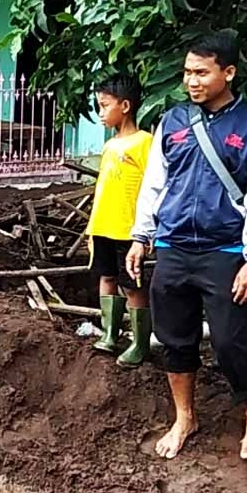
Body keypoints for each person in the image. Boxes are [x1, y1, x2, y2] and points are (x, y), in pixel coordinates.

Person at [127, 30, 247, 461]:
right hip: (174, 245)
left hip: (227, 251)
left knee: (231, 339)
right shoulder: (173, 122)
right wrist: (141, 236)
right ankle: (184, 416)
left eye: (201, 72)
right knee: (174, 338)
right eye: (187, 73)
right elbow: (154, 184)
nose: (191, 81)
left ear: (228, 72)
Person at [85, 74, 152, 368]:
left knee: (132, 284)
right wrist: (91, 226)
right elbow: (102, 189)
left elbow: (153, 186)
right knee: (107, 276)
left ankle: (139, 342)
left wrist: (146, 229)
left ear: (125, 105)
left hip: (129, 228)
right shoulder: (110, 145)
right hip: (103, 225)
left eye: (104, 105)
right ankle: (109, 333)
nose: (100, 113)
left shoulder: (144, 142)